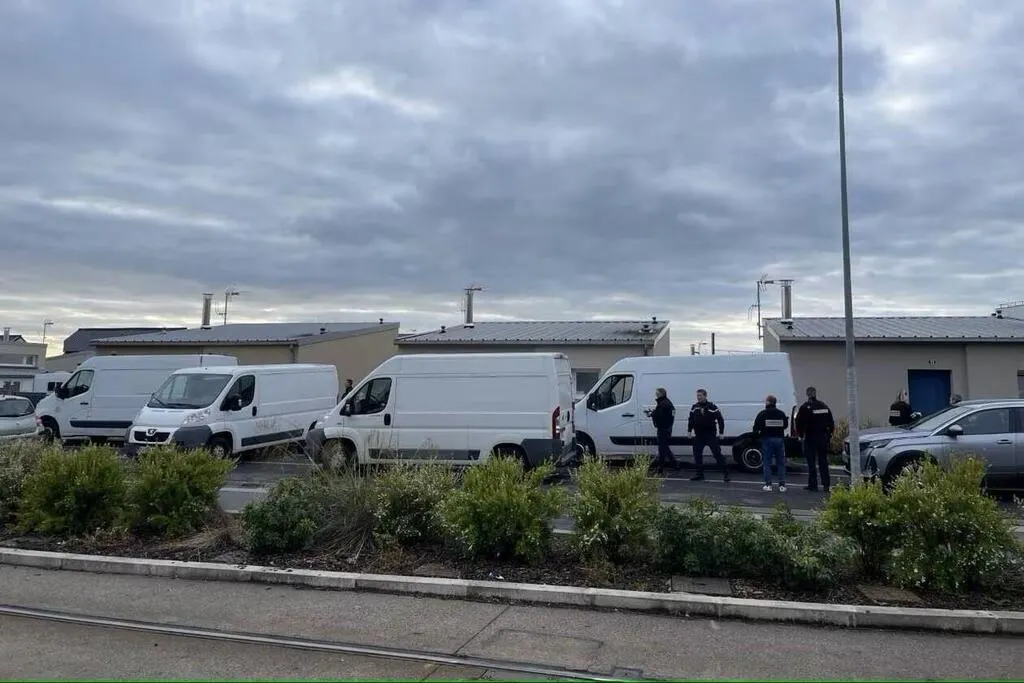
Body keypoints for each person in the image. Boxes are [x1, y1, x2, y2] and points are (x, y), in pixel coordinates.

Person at [794, 386, 835, 493]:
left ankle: (813, 485)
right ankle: (826, 485)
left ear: (807, 394)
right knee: (823, 462)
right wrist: (828, 435)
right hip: (823, 438)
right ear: (815, 393)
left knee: (811, 462)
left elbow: (799, 423)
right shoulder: (824, 406)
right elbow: (831, 423)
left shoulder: (805, 407)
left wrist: (801, 435)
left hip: (810, 438)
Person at [687, 388, 729, 482]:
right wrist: (689, 431)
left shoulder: (712, 407)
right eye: (697, 396)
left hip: (710, 434)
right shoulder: (695, 407)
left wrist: (721, 432)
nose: (698, 397)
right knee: (697, 455)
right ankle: (699, 474)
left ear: (705, 396)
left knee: (717, 454)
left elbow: (720, 420)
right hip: (699, 434)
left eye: (700, 396)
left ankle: (725, 473)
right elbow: (691, 419)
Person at [753, 394, 789, 492]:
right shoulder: (781, 413)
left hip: (767, 439)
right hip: (779, 439)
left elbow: (756, 428)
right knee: (780, 463)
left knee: (767, 463)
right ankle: (782, 485)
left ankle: (768, 485)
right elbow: (785, 425)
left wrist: (758, 434)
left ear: (768, 402)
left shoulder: (763, 414)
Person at [648, 387, 680, 474]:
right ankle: (675, 464)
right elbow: (664, 414)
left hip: (663, 429)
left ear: (660, 394)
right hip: (667, 428)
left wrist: (652, 414)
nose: (655, 394)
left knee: (662, 448)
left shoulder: (663, 404)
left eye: (656, 393)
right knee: (664, 447)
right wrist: (653, 413)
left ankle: (660, 468)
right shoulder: (666, 403)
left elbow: (660, 415)